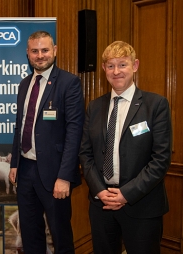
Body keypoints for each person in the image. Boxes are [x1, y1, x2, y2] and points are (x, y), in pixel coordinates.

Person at [79, 41, 171, 254]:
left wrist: (125, 194)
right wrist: (100, 191)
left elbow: (161, 159)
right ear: (104, 69)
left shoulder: (155, 105)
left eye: (122, 64)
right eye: (110, 66)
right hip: (101, 205)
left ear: (135, 65)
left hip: (142, 205)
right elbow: (85, 153)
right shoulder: (94, 106)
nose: (116, 71)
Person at [9, 31, 85, 254]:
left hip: (55, 173)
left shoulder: (69, 83)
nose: (40, 55)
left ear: (55, 50)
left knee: (60, 236)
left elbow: (74, 131)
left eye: (44, 50)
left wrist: (64, 176)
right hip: (25, 170)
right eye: (35, 51)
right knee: (30, 235)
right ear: (27, 53)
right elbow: (20, 126)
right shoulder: (24, 84)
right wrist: (14, 162)